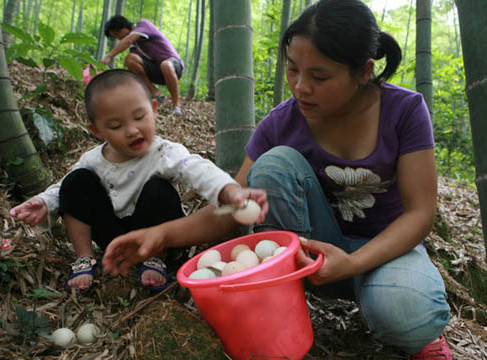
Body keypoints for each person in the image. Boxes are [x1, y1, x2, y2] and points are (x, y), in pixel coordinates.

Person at [102, 1, 453, 359]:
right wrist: (161, 234)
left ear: (363, 71)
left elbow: (420, 212)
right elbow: (234, 208)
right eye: (293, 70)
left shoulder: (403, 111)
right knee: (272, 166)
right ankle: (288, 307)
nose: (300, 87)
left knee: (408, 316)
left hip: (385, 253)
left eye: (319, 77)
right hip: (312, 257)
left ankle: (413, 329)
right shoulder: (282, 123)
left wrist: (352, 263)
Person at [9, 69, 267, 291]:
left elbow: (199, 171)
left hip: (156, 232)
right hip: (113, 234)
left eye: (139, 117)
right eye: (116, 125)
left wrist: (231, 191)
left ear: (153, 110)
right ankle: (85, 258)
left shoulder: (164, 152)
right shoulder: (93, 159)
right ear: (97, 130)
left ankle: (155, 258)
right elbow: (64, 189)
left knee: (159, 189)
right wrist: (44, 202)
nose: (132, 130)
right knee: (76, 182)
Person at [100, 15, 184, 116]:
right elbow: (134, 69)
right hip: (156, 72)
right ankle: (154, 92)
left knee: (165, 65)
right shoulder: (134, 46)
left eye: (117, 33)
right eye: (115, 37)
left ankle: (176, 105)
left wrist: (109, 56)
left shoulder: (143, 25)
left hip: (174, 66)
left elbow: (128, 40)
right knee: (130, 59)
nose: (118, 38)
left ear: (124, 27)